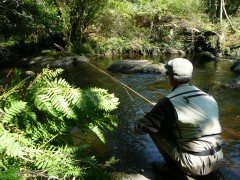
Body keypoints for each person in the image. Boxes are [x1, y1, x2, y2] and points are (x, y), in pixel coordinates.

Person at [134, 58, 224, 179]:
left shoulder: (167, 103)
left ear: (170, 77)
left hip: (194, 166)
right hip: (218, 159)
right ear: (190, 76)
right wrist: (162, 111)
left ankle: (172, 168)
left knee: (155, 128)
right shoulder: (209, 98)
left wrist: (154, 115)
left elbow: (140, 129)